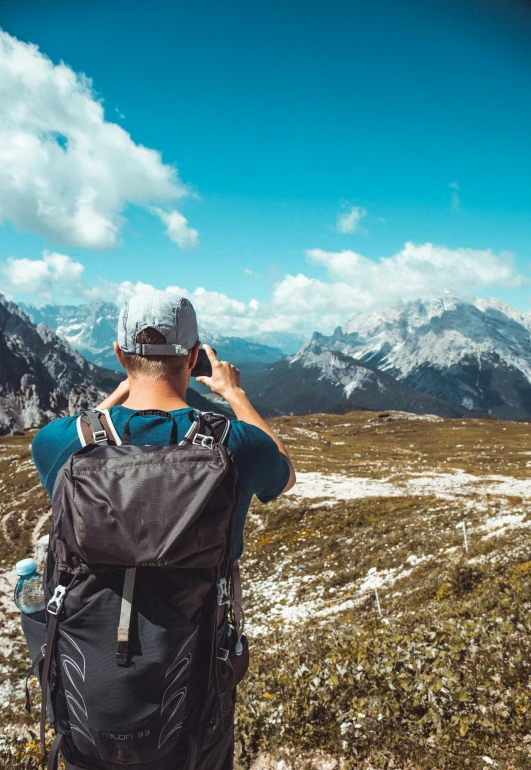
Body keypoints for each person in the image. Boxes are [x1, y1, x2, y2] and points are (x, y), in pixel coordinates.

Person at [32, 289, 296, 564]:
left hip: (91, 607)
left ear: (119, 355)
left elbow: (84, 426)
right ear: (194, 357)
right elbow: (286, 475)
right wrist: (234, 394)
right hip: (196, 607)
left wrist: (123, 390)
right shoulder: (238, 443)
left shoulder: (55, 442)